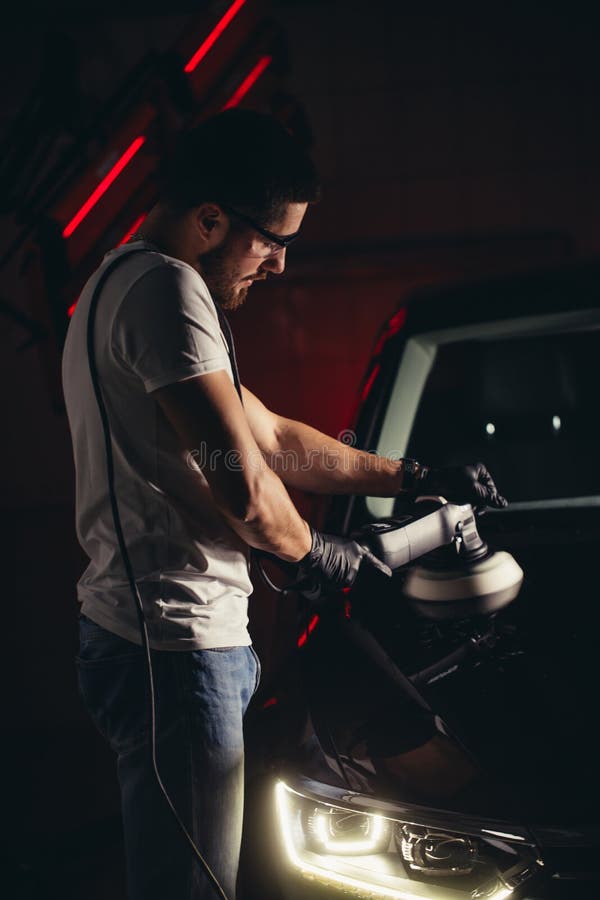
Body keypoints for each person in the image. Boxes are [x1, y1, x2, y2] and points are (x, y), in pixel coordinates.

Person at [61, 109, 506, 900]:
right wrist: (313, 554)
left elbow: (272, 439)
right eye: (272, 242)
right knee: (190, 888)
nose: (277, 267)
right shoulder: (165, 290)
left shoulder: (126, 284)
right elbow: (244, 482)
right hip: (175, 645)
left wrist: (411, 475)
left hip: (170, 643)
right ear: (210, 220)